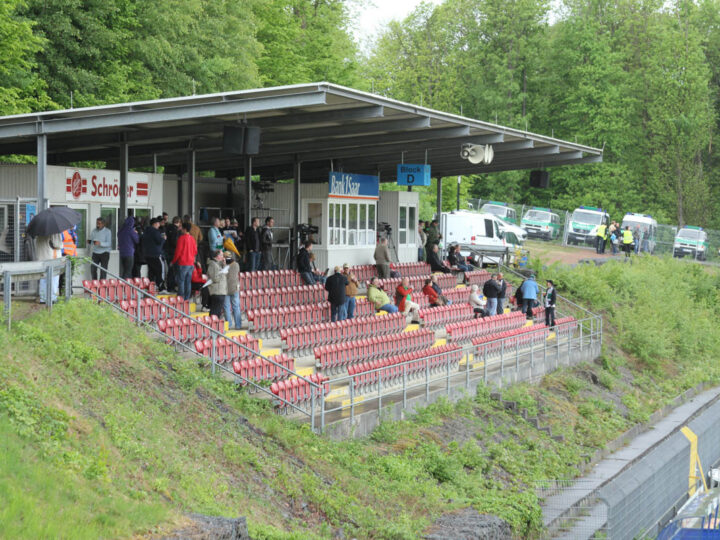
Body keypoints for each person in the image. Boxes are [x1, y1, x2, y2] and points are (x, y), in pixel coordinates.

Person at [172, 221, 197, 301]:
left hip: (183, 263)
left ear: (185, 229)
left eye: (182, 228)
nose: (181, 229)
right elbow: (195, 251)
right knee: (188, 282)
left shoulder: (181, 238)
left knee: (181, 281)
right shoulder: (192, 238)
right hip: (191, 263)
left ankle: (181, 299)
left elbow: (178, 251)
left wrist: (173, 261)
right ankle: (187, 299)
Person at [35, 233, 63, 304]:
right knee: (54, 278)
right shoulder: (55, 231)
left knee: (43, 278)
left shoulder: (39, 232)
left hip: (41, 258)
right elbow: (58, 245)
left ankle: (43, 298)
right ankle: (52, 298)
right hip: (52, 258)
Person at [143, 217, 166, 290]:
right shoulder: (155, 232)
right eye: (158, 223)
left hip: (147, 254)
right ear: (155, 224)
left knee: (151, 271)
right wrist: (163, 239)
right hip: (155, 254)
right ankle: (160, 286)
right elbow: (159, 241)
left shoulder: (146, 231)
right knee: (159, 270)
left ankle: (151, 286)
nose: (159, 225)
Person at [207, 249, 228, 318]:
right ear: (217, 256)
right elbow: (215, 278)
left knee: (218, 312)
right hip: (216, 291)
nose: (223, 257)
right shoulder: (212, 265)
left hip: (221, 291)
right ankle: (211, 326)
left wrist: (224, 266)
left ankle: (216, 327)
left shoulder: (218, 265)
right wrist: (222, 273)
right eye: (221, 255)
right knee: (214, 311)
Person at [223, 254, 242, 330]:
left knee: (227, 307)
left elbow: (223, 275)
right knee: (236, 307)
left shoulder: (225, 266)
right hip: (235, 288)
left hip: (226, 289)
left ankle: (229, 325)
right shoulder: (236, 265)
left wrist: (224, 265)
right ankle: (238, 325)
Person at [117, 215, 139, 280]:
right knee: (128, 271)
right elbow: (137, 240)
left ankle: (124, 285)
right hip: (129, 253)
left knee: (124, 270)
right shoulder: (131, 231)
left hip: (122, 253)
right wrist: (136, 233)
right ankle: (123, 285)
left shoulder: (120, 231)